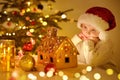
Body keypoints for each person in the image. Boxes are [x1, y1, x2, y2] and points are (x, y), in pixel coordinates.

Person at [71, 6, 118, 71]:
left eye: (93, 30)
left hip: (104, 72)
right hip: (84, 70)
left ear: (101, 32)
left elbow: (91, 62)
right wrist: (76, 39)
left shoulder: (106, 44)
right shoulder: (81, 38)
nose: (87, 32)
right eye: (85, 27)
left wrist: (89, 42)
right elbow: (67, 50)